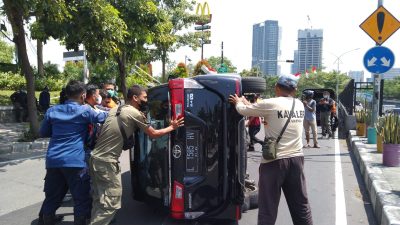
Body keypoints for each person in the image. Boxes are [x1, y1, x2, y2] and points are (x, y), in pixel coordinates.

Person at [89, 85, 184, 225]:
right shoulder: (134, 113)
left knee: (100, 200)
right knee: (110, 204)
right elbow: (153, 134)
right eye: (144, 97)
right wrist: (172, 127)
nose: (146, 100)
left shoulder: (116, 109)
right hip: (107, 162)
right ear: (135, 98)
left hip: (95, 159)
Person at [229, 74, 313, 225]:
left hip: (274, 162)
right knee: (301, 205)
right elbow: (257, 109)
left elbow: (243, 111)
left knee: (268, 206)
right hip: (296, 160)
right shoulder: (299, 104)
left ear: (276, 87)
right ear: (294, 89)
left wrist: (237, 102)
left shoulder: (270, 103)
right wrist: (246, 102)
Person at [37, 80, 108, 225]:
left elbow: (43, 132)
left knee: (52, 195)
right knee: (81, 197)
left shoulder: (52, 111)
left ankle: (47, 220)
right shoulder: (85, 111)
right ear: (83, 95)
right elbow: (104, 118)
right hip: (75, 161)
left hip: (53, 160)